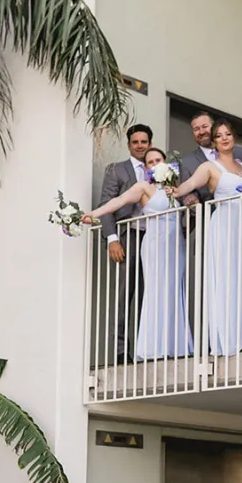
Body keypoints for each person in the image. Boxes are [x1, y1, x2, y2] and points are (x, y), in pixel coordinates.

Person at [172, 119, 242, 356]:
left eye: (228, 134)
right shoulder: (209, 167)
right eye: (219, 135)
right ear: (214, 142)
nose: (225, 138)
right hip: (224, 226)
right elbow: (189, 185)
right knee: (227, 279)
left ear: (233, 137)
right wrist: (171, 188)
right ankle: (228, 337)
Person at [84, 146, 191, 360]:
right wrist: (93, 214)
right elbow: (117, 202)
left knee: (174, 290)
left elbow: (191, 206)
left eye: (158, 160)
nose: (154, 164)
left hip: (175, 245)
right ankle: (153, 347)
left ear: (165, 162)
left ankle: (175, 346)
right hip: (154, 244)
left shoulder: (176, 187)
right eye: (150, 162)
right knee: (155, 291)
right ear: (146, 167)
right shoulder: (143, 187)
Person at [97, 123, 153, 362]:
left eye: (144, 142)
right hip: (128, 235)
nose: (140, 146)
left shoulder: (159, 167)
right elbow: (106, 205)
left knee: (149, 293)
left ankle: (145, 348)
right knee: (124, 294)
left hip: (154, 237)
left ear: (150, 143)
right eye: (135, 142)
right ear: (129, 144)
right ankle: (121, 352)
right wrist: (112, 239)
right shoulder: (117, 169)